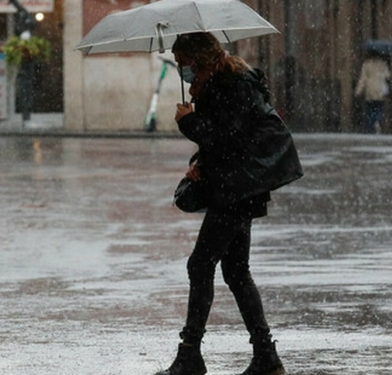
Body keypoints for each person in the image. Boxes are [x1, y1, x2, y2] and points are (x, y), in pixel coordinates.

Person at [156, 32, 286, 375]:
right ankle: (265, 355)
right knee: (235, 271)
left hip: (237, 190)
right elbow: (221, 141)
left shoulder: (235, 85)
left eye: (185, 64)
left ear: (202, 59)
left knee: (201, 265)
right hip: (235, 188)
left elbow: (228, 138)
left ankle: (190, 355)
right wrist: (201, 162)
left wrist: (189, 121)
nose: (183, 71)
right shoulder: (221, 84)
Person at [355, 51, 391, 134]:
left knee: (370, 108)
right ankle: (377, 121)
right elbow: (388, 75)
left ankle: (371, 125)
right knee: (379, 107)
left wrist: (358, 91)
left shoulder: (366, 65)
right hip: (379, 89)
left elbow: (363, 79)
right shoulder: (383, 64)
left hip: (370, 88)